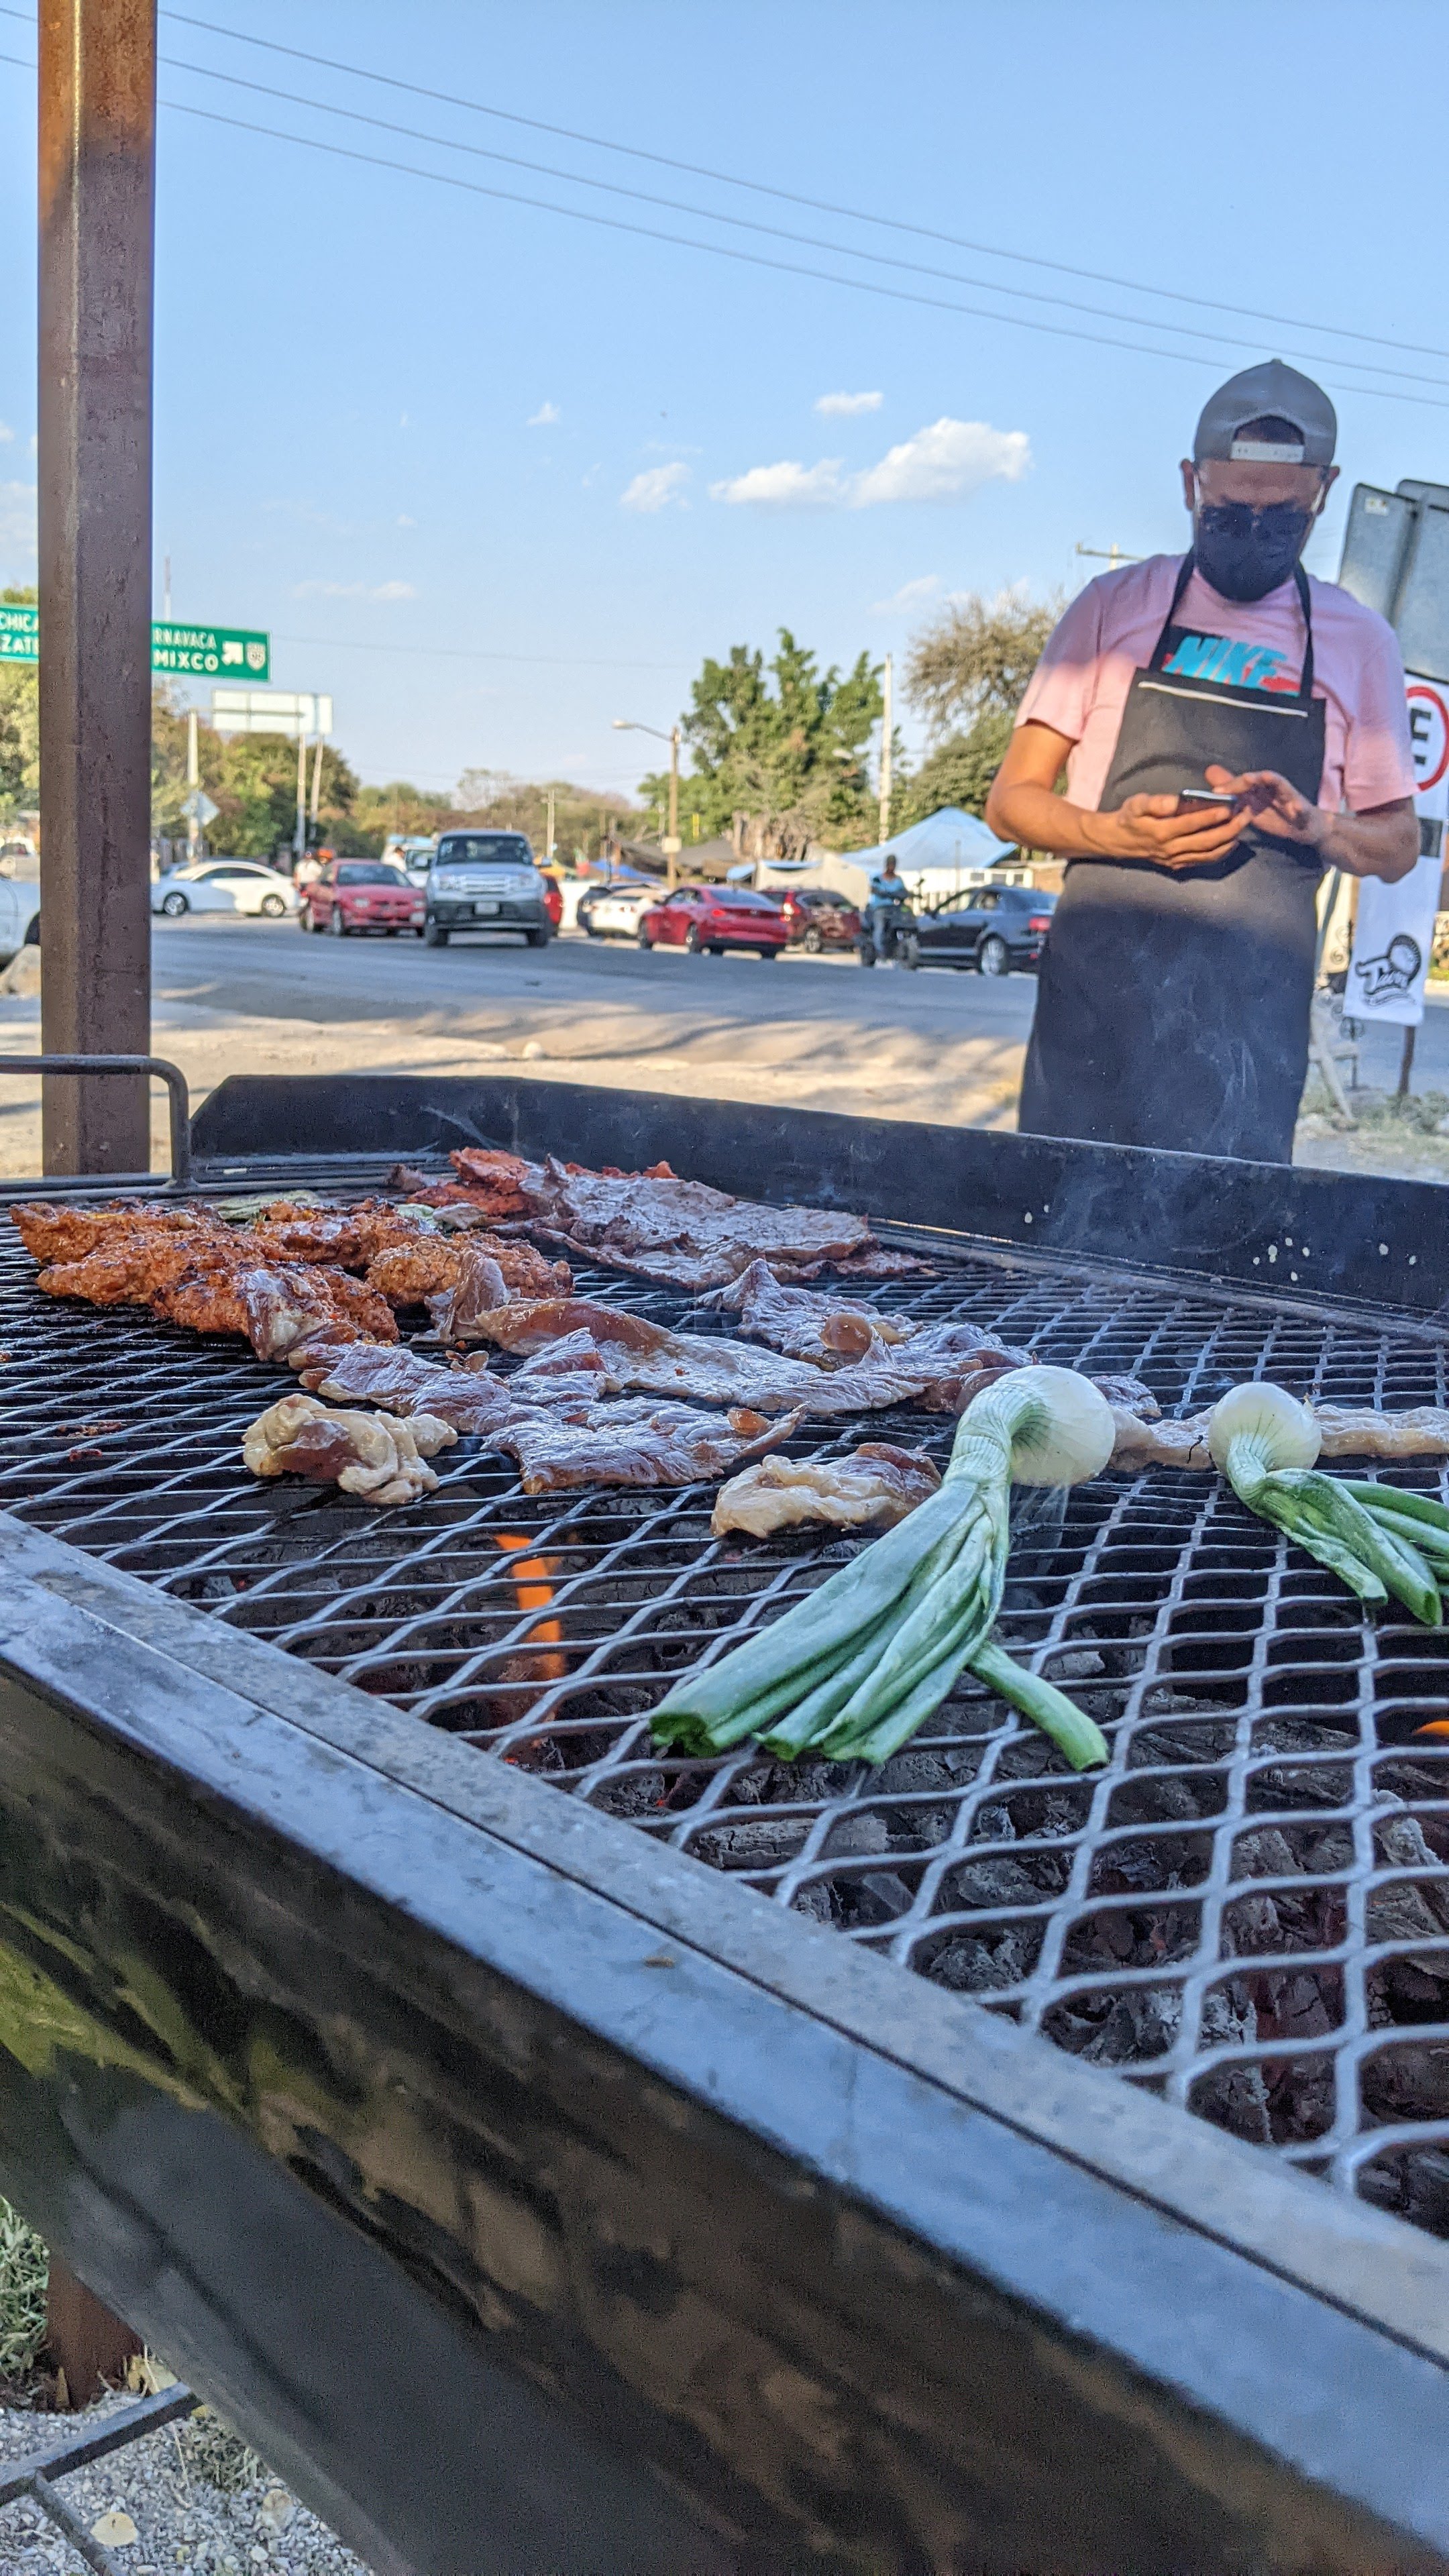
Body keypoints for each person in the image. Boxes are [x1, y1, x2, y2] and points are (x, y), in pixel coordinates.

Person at [985, 360, 1418, 1164]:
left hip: (1251, 1007)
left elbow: (1398, 845)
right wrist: (1115, 835)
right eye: (1228, 511)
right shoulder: (1113, 606)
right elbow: (1010, 801)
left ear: (1322, 492)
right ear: (1191, 484)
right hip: (1097, 995)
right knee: (1055, 1218)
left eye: (1279, 516)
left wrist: (1318, 824)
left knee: (1226, 1245)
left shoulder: (1360, 641)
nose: (1253, 530)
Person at [866, 851, 910, 959]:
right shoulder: (878, 879)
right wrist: (883, 893)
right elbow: (874, 889)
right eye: (890, 864)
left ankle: (897, 947)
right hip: (879, 908)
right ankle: (879, 951)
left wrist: (903, 894)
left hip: (894, 908)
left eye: (893, 864)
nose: (892, 866)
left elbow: (903, 892)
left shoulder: (898, 880)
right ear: (886, 865)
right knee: (880, 928)